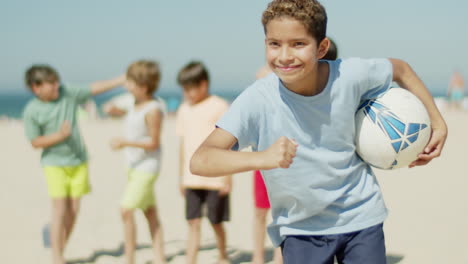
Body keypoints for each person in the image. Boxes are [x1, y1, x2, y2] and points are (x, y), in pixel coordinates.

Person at [190, 1, 448, 263]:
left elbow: (401, 69)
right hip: (301, 229)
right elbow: (201, 160)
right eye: (274, 43)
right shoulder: (257, 100)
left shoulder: (349, 75)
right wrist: (263, 158)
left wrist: (438, 124)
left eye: (298, 44)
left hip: (361, 216)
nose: (284, 55)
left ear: (322, 48)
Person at [22, 64, 125, 264]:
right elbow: (35, 142)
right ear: (36, 87)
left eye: (56, 81)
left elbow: (93, 89)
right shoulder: (31, 111)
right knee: (59, 208)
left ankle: (60, 247)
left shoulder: (66, 93)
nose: (56, 86)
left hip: (79, 161)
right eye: (50, 84)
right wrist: (59, 136)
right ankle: (56, 256)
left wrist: (120, 80)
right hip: (54, 164)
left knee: (74, 210)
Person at [251, 37, 338, 264]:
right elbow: (262, 74)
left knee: (291, 214)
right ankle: (258, 257)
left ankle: (280, 257)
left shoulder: (329, 95)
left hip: (299, 162)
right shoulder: (274, 79)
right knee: (261, 211)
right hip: (267, 155)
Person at [109, 60, 167, 264]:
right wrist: (113, 109)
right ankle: (160, 256)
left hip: (147, 167)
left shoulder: (153, 109)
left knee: (125, 210)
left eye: (130, 82)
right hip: (133, 166)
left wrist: (124, 142)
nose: (127, 85)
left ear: (143, 86)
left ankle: (130, 258)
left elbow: (153, 142)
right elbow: (115, 107)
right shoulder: (133, 102)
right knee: (150, 211)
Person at [175, 61, 232, 264]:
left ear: (203, 85)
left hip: (216, 177)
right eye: (184, 89)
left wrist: (227, 178)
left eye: (190, 89)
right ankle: (191, 259)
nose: (187, 94)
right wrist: (181, 177)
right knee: (193, 222)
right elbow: (182, 146)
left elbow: (228, 145)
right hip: (191, 177)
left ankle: (223, 255)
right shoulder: (183, 109)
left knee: (216, 222)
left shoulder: (220, 106)